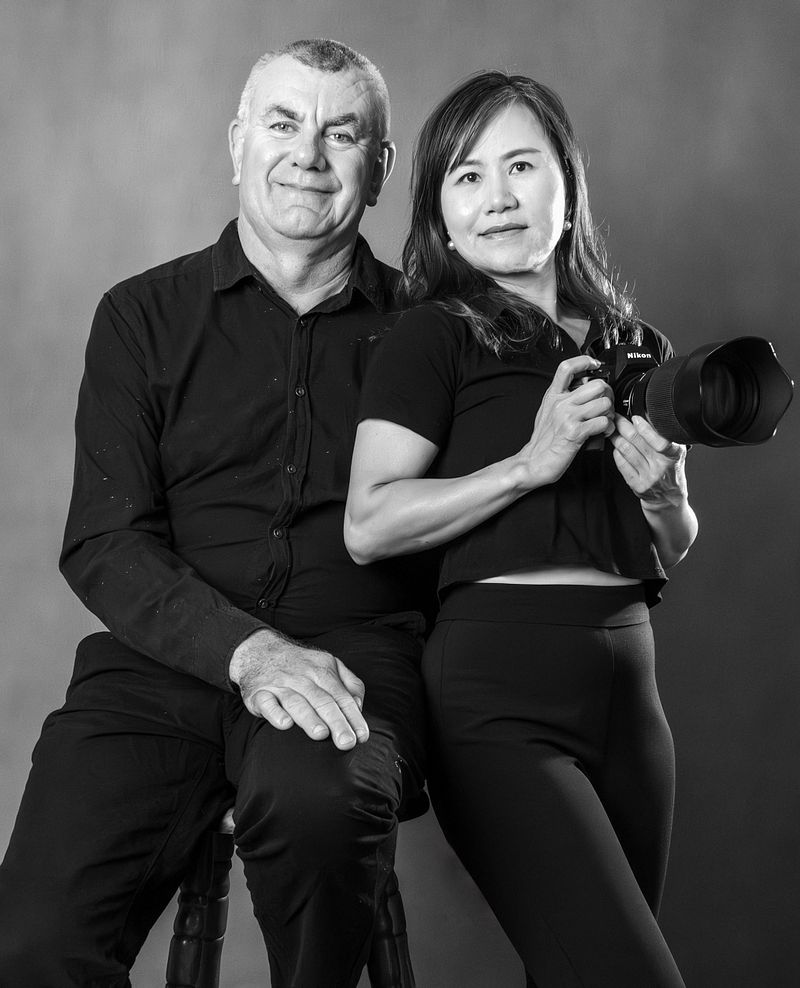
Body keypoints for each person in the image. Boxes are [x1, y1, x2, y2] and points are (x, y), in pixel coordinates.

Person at [0, 39, 429, 988]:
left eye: (341, 133)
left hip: (349, 672)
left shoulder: (429, 332)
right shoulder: (139, 317)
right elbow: (104, 539)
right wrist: (248, 652)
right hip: (158, 670)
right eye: (283, 123)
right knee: (28, 943)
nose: (307, 154)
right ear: (238, 142)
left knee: (322, 815)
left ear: (380, 168)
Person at [345, 70, 698, 987]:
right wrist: (528, 464)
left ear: (567, 186)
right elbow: (368, 523)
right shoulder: (433, 336)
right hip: (498, 691)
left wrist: (664, 494)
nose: (497, 197)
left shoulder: (634, 345)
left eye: (521, 166)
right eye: (467, 177)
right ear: (441, 213)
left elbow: (671, 541)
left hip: (631, 687)